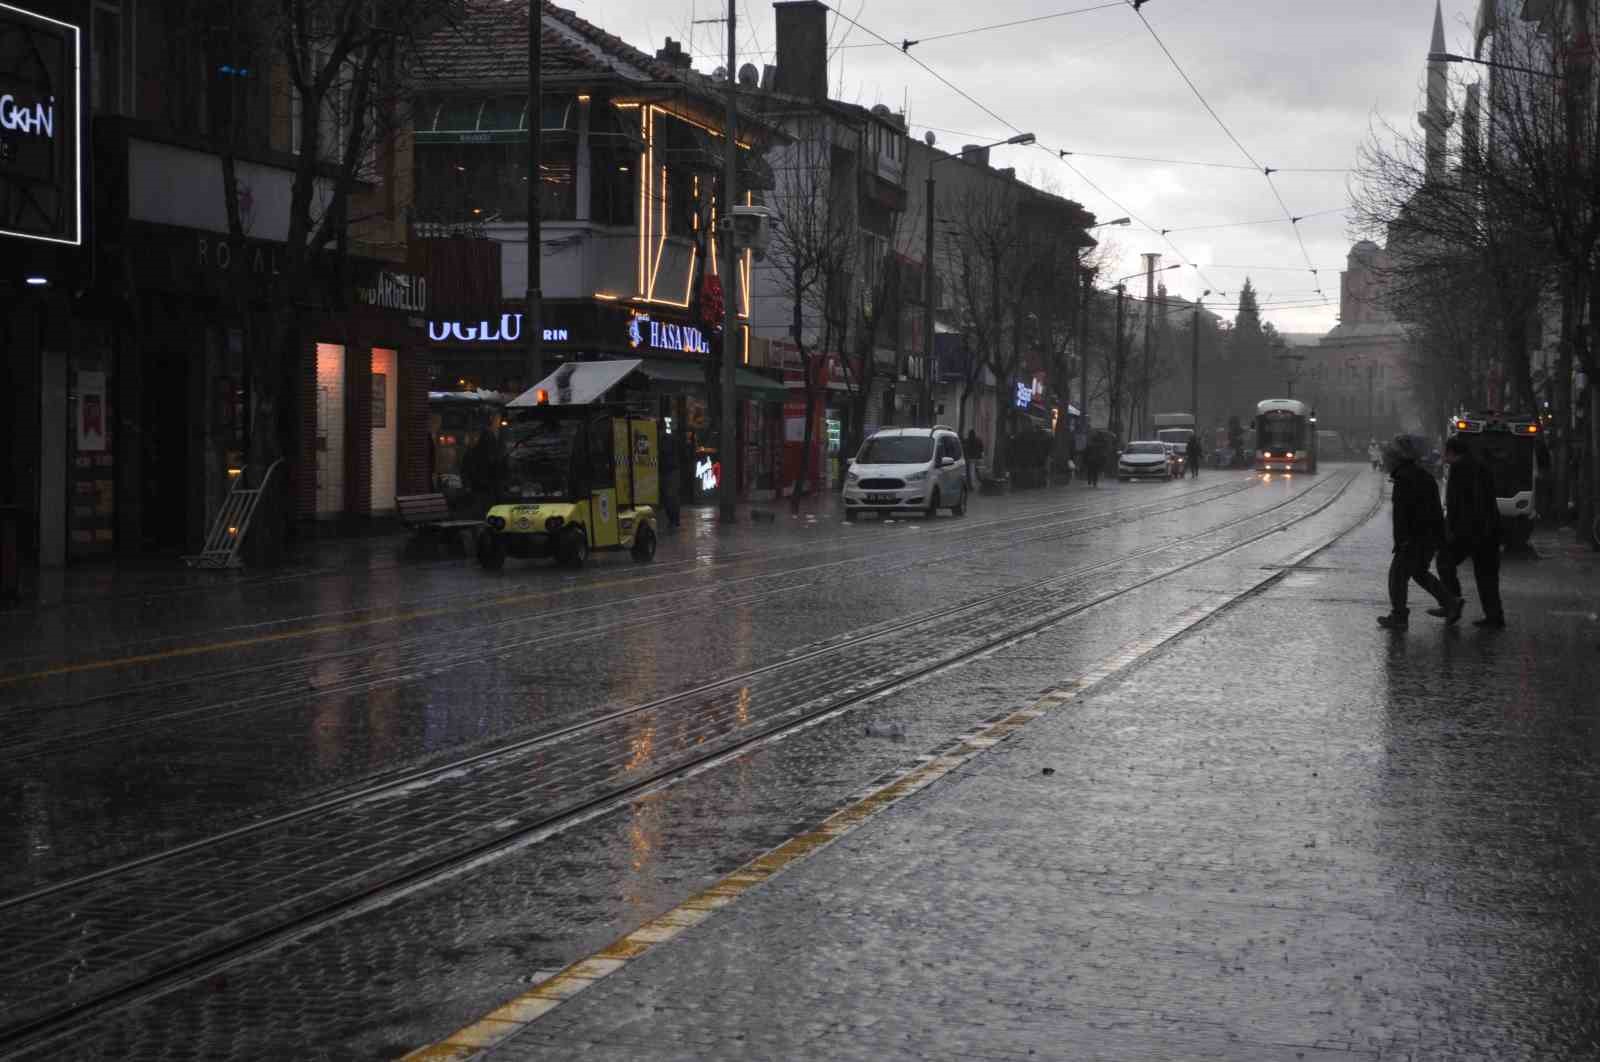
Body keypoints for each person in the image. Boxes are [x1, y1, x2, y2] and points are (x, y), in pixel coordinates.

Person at [1378, 434, 1460, 630]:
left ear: (1398, 459)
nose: (1386, 461)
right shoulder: (1421, 476)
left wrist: (1403, 541)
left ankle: (1399, 617)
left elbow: (1404, 516)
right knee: (1419, 573)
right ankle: (1450, 604)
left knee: (1397, 576)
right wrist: (1438, 539)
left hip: (1414, 539)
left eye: (1389, 457)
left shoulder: (1405, 479)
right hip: (1426, 537)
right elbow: (1435, 510)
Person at [1428, 435, 1504, 627]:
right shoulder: (1477, 466)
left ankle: (1452, 602)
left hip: (1471, 531)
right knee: (1486, 575)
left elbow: (1463, 504)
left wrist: (1454, 529)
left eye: (1445, 451)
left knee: (1445, 561)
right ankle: (1494, 617)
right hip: (1486, 530)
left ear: (1453, 453)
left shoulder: (1462, 469)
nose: (1443, 455)